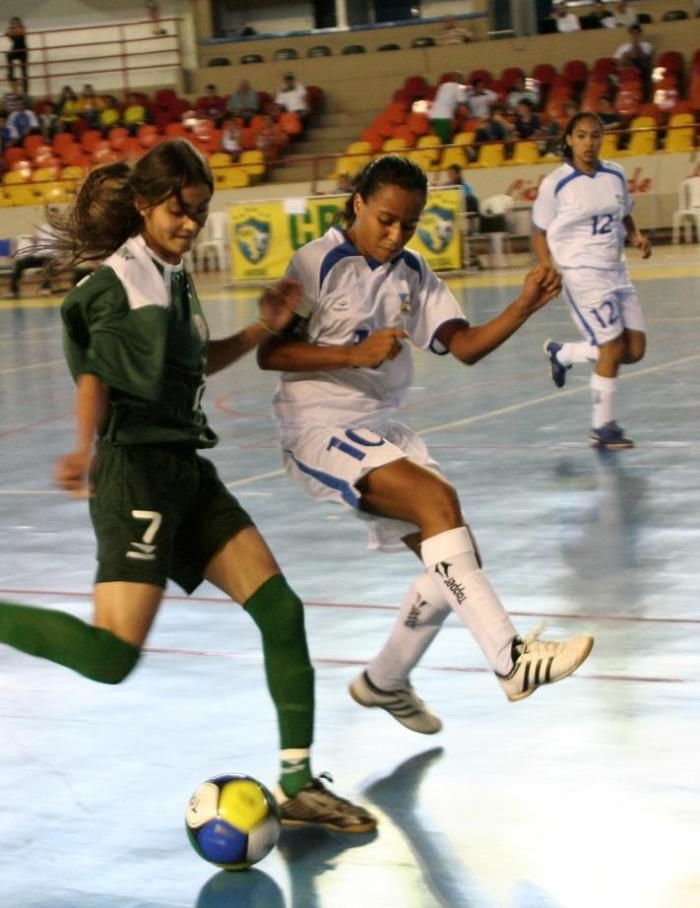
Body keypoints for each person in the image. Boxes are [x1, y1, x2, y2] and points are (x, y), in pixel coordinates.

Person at [0, 139, 376, 834]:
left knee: (281, 611)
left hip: (185, 469)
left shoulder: (171, 274)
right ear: (143, 204)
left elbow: (194, 361)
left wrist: (263, 326)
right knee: (113, 657)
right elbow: (98, 376)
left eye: (200, 213)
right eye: (180, 211)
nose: (191, 225)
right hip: (135, 472)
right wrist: (81, 448)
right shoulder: (119, 282)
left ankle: (297, 782)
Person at [257, 155, 594, 731]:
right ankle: (512, 663)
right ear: (359, 203)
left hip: (380, 426)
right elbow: (270, 353)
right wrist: (350, 355)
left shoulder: (412, 272)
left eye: (408, 224)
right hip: (319, 425)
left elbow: (462, 346)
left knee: (456, 561)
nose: (396, 235)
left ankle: (384, 680)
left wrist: (523, 305)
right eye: (386, 219)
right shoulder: (316, 263)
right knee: (439, 510)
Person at [532, 112, 651, 450]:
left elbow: (623, 212)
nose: (589, 142)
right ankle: (602, 428)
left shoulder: (616, 173)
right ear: (569, 139)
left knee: (635, 350)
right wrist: (547, 266)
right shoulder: (556, 183)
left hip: (617, 271)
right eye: (581, 136)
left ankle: (564, 353)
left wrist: (636, 236)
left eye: (595, 136)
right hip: (581, 273)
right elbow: (538, 232)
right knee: (612, 346)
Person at [444, 163, 481, 270]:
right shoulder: (447, 186)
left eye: (452, 174)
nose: (450, 176)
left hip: (468, 217)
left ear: (458, 174)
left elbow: (468, 201)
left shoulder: (466, 186)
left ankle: (473, 260)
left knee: (470, 239)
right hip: (453, 219)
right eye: (449, 174)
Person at [428, 71, 468, 144]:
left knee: (437, 140)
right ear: (459, 79)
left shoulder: (444, 86)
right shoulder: (457, 87)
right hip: (443, 117)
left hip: (433, 115)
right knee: (444, 141)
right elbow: (463, 101)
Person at [5, 17, 28, 92]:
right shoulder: (13, 29)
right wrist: (12, 32)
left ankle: (25, 91)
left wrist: (13, 32)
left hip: (22, 50)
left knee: (24, 72)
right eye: (13, 23)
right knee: (8, 55)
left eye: (16, 22)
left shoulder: (21, 28)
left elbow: (22, 33)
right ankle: (11, 75)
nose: (15, 24)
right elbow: (7, 34)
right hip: (16, 49)